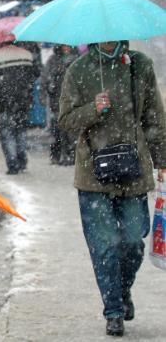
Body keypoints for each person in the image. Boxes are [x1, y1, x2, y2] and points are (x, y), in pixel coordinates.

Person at [59, 41, 166, 336]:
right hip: (93, 173)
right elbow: (66, 120)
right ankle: (114, 310)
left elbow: (154, 117)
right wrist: (93, 108)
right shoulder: (78, 70)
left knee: (133, 241)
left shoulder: (140, 65)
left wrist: (162, 160)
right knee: (104, 245)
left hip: (133, 171)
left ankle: (121, 290)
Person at [0, 42, 39, 174]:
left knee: (7, 133)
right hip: (23, 100)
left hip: (3, 102)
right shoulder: (27, 55)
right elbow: (36, 74)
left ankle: (13, 164)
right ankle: (22, 160)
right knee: (21, 131)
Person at [39, 44, 77, 165]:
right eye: (64, 46)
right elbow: (44, 79)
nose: (66, 48)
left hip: (73, 100)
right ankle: (58, 155)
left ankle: (71, 155)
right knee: (57, 130)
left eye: (68, 45)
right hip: (57, 100)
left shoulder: (77, 60)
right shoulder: (53, 60)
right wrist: (43, 97)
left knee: (72, 130)